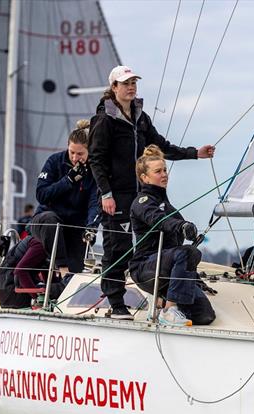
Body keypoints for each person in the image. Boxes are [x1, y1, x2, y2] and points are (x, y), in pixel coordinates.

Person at [88, 65, 215, 320]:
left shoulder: (140, 117)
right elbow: (96, 160)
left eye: (134, 82)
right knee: (117, 248)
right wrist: (105, 194)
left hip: (140, 193)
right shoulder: (104, 120)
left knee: (153, 240)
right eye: (125, 83)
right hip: (117, 195)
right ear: (114, 88)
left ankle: (162, 298)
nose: (131, 87)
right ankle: (116, 303)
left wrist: (194, 154)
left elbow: (161, 146)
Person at [129, 145, 215, 327]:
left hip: (166, 269)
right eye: (158, 171)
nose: (164, 174)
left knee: (204, 315)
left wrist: (196, 280)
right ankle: (169, 310)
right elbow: (158, 220)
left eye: (165, 170)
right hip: (144, 267)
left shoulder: (168, 206)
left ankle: (162, 305)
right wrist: (181, 225)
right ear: (144, 178)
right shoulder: (142, 202)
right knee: (188, 252)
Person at [30, 120, 99, 275]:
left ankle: (60, 286)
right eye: (71, 152)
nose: (75, 158)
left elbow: (95, 202)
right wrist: (67, 181)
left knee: (75, 274)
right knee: (51, 220)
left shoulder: (95, 171)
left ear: (90, 151)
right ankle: (62, 268)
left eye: (80, 154)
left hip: (74, 226)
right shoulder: (55, 161)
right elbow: (42, 195)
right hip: (46, 221)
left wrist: (92, 227)